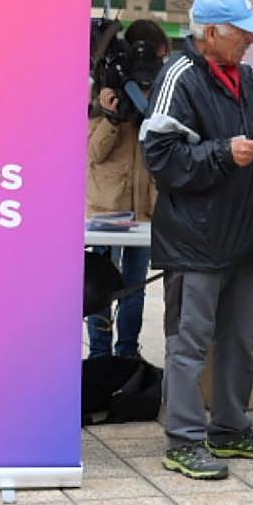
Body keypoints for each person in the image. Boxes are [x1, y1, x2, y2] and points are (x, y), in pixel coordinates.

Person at [142, 0, 253, 480]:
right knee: (190, 340)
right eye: (241, 32)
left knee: (241, 337)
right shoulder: (178, 75)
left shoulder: (246, 77)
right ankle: (184, 439)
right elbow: (160, 158)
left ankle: (231, 427)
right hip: (195, 240)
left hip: (242, 235)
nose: (250, 40)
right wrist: (225, 153)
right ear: (209, 32)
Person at [85, 19, 168, 361]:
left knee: (135, 288)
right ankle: (101, 356)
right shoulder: (106, 86)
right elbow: (93, 153)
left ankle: (128, 355)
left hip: (145, 208)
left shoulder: (162, 93)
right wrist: (110, 116)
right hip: (107, 210)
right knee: (100, 286)